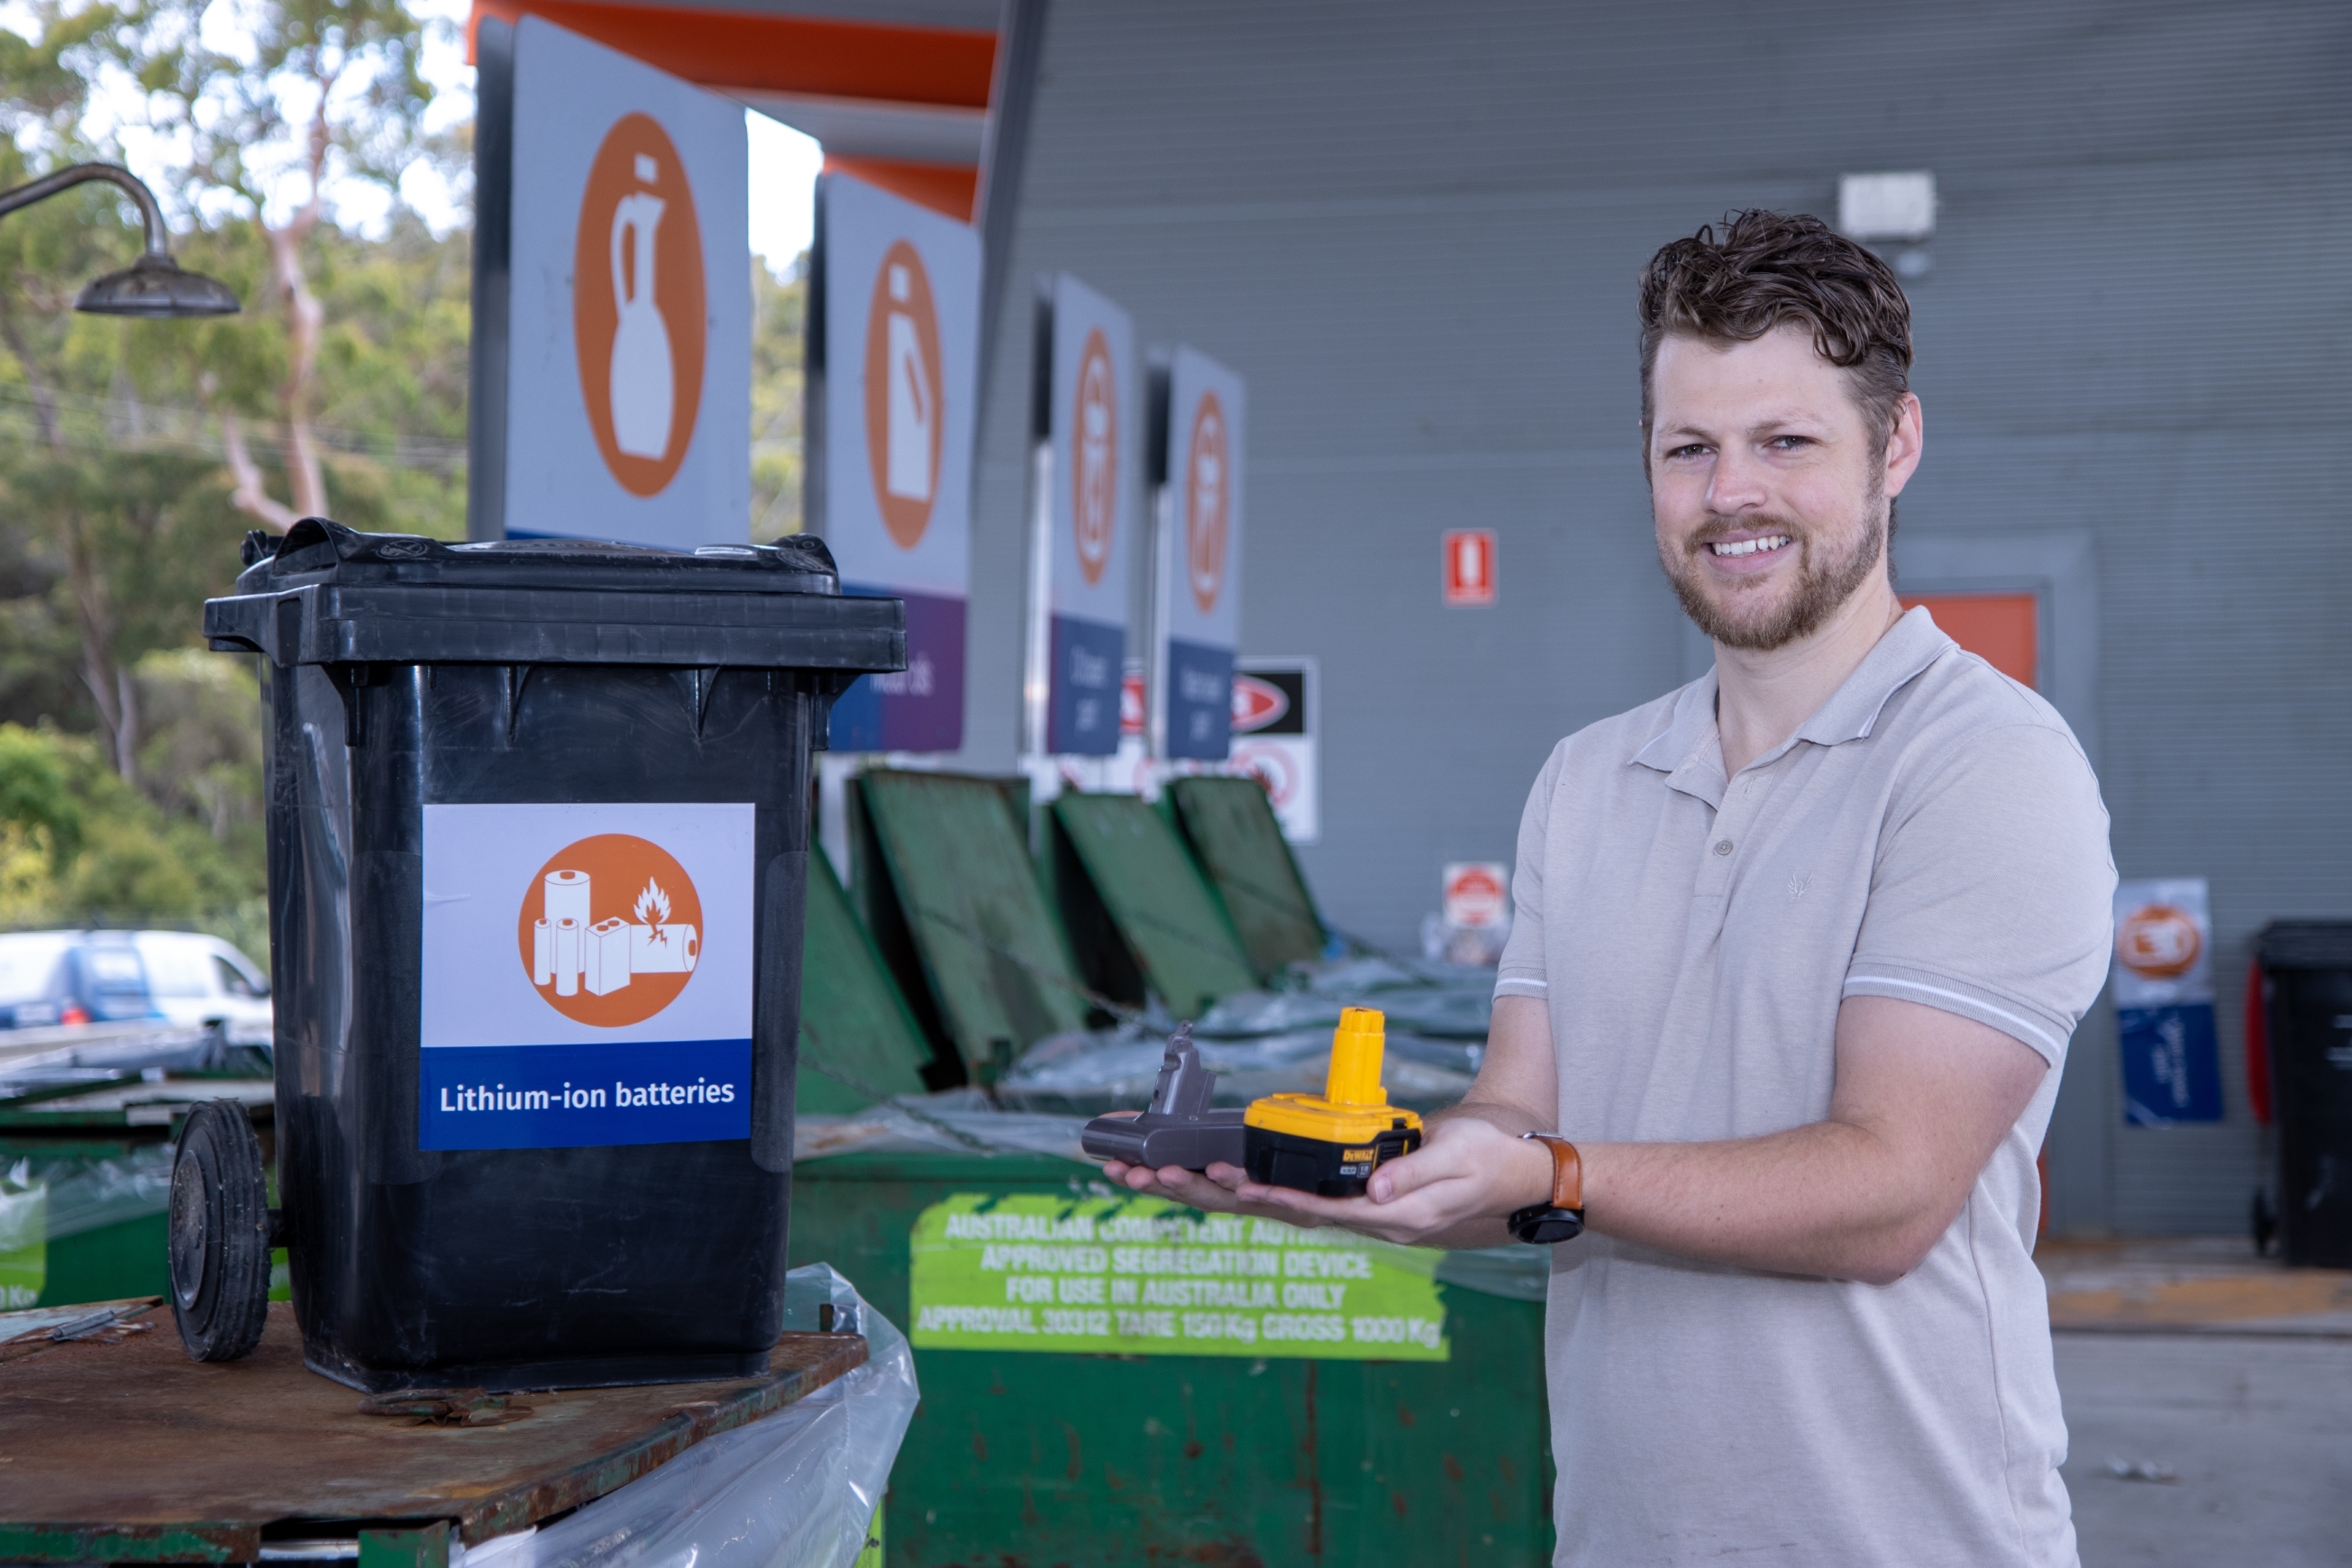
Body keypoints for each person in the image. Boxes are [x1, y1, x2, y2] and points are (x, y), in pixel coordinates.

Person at [1102, 210, 2116, 1566]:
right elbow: (1523, 1114)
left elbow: (1886, 1194)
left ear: (1897, 446)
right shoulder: (1587, 780)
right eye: (1686, 447)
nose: (1729, 494)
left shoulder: (1985, 766)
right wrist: (1392, 1176)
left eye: (1784, 443)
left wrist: (1551, 1171)